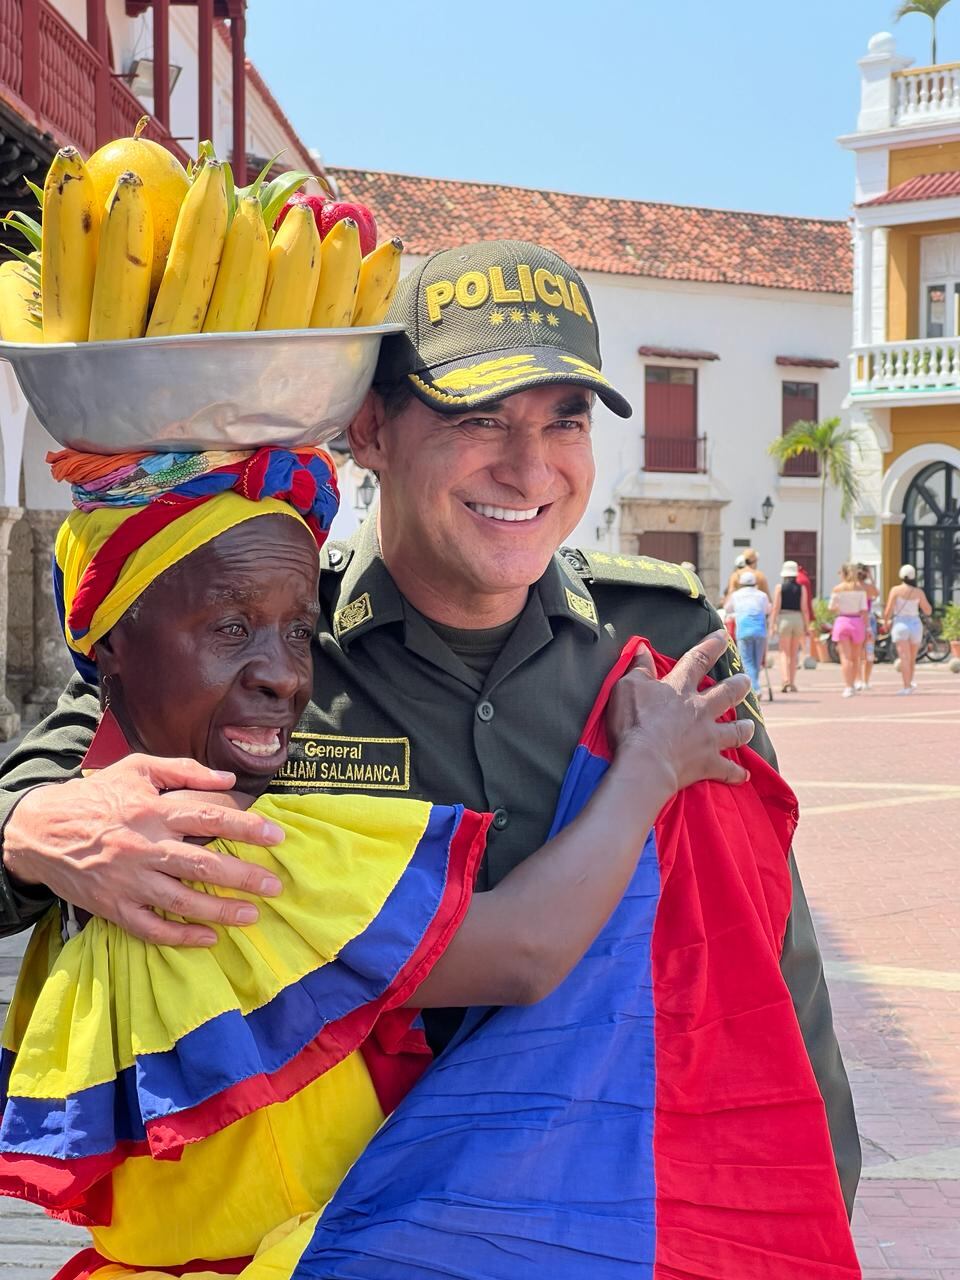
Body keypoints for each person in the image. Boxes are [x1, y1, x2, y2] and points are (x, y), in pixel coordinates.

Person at [0, 239, 859, 1215]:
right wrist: (34, 833)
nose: (529, 466)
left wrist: (817, 1197)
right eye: (477, 419)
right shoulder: (252, 636)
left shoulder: (668, 643)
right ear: (371, 428)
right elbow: (34, 810)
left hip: (607, 1227)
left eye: (564, 420)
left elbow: (767, 955)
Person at [3, 444, 780, 1274]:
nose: (281, 675)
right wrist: (648, 770)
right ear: (110, 647)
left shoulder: (107, 838)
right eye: (231, 628)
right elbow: (523, 949)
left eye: (300, 632)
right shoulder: (246, 851)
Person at [884, 563, 933, 695]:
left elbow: (888, 611)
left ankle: (906, 686)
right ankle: (910, 683)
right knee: (912, 657)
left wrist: (885, 622)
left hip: (900, 623)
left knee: (903, 657)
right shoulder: (918, 592)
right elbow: (928, 611)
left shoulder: (895, 590)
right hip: (915, 624)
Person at [769, 559, 812, 692]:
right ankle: (792, 682)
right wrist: (807, 625)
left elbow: (775, 607)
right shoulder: (802, 588)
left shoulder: (779, 587)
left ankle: (785, 680)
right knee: (794, 653)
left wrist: (772, 625)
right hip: (798, 618)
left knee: (783, 652)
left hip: (784, 619)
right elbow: (804, 608)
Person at [726, 569, 770, 693]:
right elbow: (767, 610)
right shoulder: (762, 595)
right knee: (756, 662)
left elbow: (728, 609)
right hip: (760, 631)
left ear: (741, 583)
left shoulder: (736, 595)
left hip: (744, 631)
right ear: (755, 583)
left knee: (747, 661)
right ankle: (755, 687)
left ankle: (755, 689)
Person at [830, 564, 869, 699]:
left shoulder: (837, 589)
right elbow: (864, 611)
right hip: (857, 621)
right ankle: (854, 683)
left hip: (842, 620)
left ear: (843, 573)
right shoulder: (861, 590)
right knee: (855, 657)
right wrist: (867, 627)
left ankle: (848, 686)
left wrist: (839, 607)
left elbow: (831, 607)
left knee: (845, 657)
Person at [857, 564, 880, 692]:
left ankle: (859, 680)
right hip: (869, 620)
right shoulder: (868, 588)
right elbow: (877, 594)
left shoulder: (853, 588)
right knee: (869, 652)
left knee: (857, 652)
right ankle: (866, 681)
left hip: (856, 619)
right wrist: (871, 578)